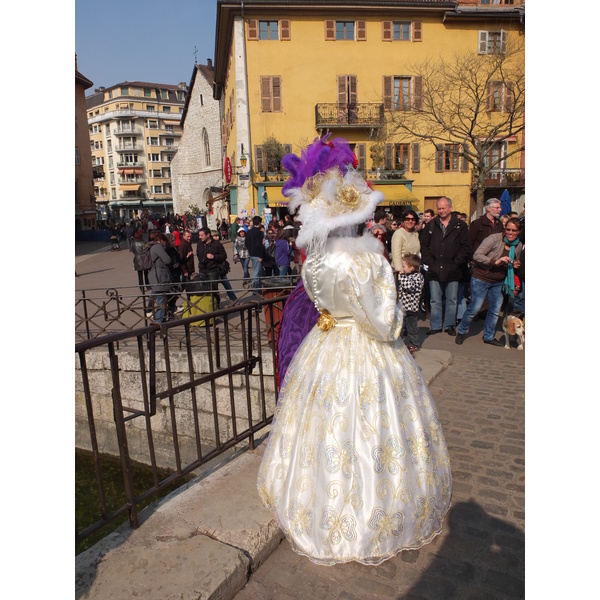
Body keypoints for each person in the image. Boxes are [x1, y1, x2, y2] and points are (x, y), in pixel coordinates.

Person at [257, 135, 452, 566]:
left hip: (323, 346)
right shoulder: (370, 262)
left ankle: (315, 502)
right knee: (371, 431)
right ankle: (376, 513)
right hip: (367, 352)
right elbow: (385, 322)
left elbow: (319, 304)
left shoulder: (314, 264)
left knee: (322, 428)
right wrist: (394, 326)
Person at [455, 217, 523, 346]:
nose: (510, 232)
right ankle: (462, 331)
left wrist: (514, 265)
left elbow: (513, 260)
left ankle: (489, 336)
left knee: (494, 311)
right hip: (481, 278)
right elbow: (477, 255)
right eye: (508, 229)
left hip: (499, 281)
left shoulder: (518, 245)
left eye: (514, 230)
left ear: (519, 231)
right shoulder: (494, 239)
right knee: (475, 308)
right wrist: (495, 262)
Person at [420, 197, 471, 336]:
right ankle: (435, 325)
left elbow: (466, 246)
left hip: (453, 268)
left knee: (452, 299)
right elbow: (424, 245)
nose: (441, 211)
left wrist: (457, 262)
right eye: (439, 208)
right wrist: (429, 262)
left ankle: (449, 325)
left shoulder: (460, 226)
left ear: (450, 208)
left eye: (443, 208)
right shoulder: (432, 225)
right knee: (435, 299)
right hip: (435, 267)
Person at [148, 232, 177, 323]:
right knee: (161, 299)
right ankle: (158, 323)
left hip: (157, 276)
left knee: (159, 296)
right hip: (159, 276)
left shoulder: (153, 247)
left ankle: (152, 313)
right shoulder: (158, 247)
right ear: (161, 240)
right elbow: (167, 260)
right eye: (164, 241)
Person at [398, 253, 424, 354]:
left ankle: (414, 343)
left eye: (404, 266)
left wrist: (402, 275)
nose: (402, 268)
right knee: (401, 326)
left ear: (411, 268)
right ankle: (399, 341)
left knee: (411, 327)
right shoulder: (409, 275)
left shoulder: (418, 277)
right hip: (403, 306)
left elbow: (408, 286)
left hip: (411, 308)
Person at [196, 227, 228, 309]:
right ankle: (207, 308)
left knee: (213, 290)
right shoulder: (199, 243)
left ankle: (216, 308)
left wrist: (214, 256)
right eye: (199, 235)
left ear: (208, 235)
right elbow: (198, 254)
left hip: (213, 270)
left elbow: (224, 256)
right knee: (203, 290)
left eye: (202, 235)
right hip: (202, 270)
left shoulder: (217, 244)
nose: (200, 237)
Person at [390, 209, 420, 274]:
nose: (410, 221)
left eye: (413, 219)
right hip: (401, 271)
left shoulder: (415, 233)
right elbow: (396, 254)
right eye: (407, 219)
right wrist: (400, 270)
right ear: (403, 220)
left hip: (412, 270)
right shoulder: (399, 233)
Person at [212, 230, 237, 302]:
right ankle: (216, 303)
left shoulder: (219, 244)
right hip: (214, 269)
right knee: (215, 288)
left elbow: (224, 255)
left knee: (227, 285)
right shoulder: (211, 245)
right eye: (215, 236)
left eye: (217, 236)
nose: (217, 237)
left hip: (220, 269)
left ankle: (234, 300)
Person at [131, 229, 151, 315]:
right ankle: (147, 285)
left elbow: (133, 251)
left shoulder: (133, 244)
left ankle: (141, 286)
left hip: (137, 259)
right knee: (146, 273)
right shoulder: (144, 243)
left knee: (139, 274)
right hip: (143, 258)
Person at [245, 216, 264, 289]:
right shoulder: (259, 233)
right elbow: (261, 245)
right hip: (258, 255)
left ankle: (258, 289)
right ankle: (254, 288)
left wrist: (250, 250)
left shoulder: (249, 232)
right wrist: (261, 256)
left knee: (257, 272)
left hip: (252, 254)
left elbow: (246, 243)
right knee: (256, 272)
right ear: (259, 223)